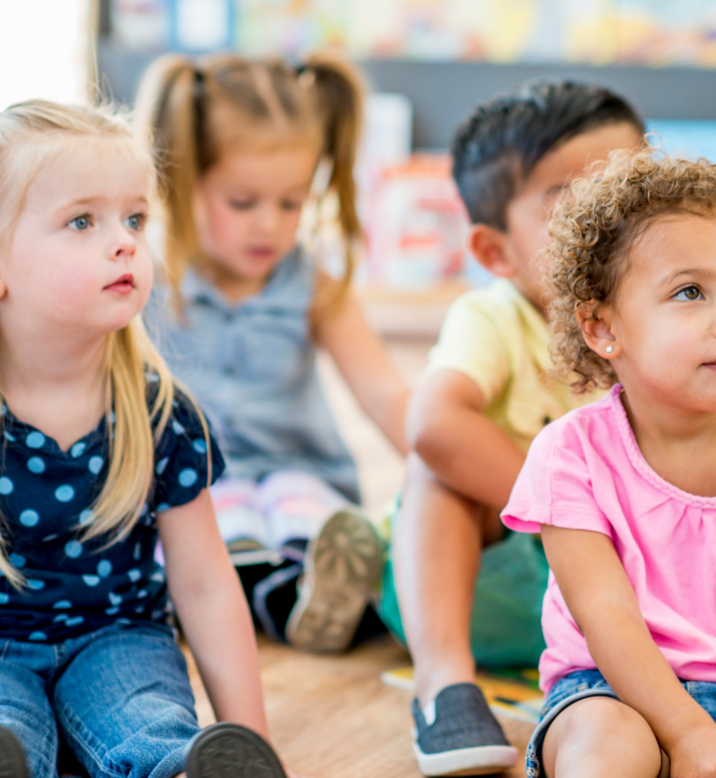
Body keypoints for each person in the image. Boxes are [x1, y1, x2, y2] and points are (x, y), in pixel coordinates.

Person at [0, 100, 289, 778]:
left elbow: (206, 585)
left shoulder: (161, 413)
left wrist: (253, 742)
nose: (125, 242)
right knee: (8, 729)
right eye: (82, 221)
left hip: (118, 639)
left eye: (134, 219)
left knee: (149, 722)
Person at [376, 81, 645, 776]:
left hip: (627, 600)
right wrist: (578, 518)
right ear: (496, 252)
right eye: (573, 202)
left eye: (634, 189)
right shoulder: (494, 317)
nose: (615, 220)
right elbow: (432, 423)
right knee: (436, 467)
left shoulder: (668, 321)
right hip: (498, 584)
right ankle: (443, 686)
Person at [503, 148, 716, 778]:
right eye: (690, 292)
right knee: (607, 746)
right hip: (612, 690)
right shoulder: (570, 454)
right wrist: (691, 739)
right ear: (603, 329)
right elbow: (608, 618)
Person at [136, 54, 410, 654]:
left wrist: (439, 464)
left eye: (291, 203)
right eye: (243, 202)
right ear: (181, 179)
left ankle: (326, 593)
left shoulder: (313, 285)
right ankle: (276, 601)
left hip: (300, 471)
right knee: (215, 516)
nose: (270, 224)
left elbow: (384, 393)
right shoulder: (144, 283)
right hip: (195, 486)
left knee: (298, 507)